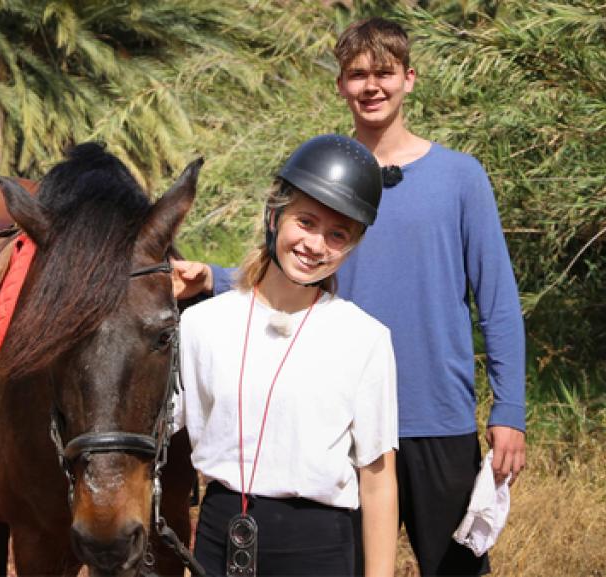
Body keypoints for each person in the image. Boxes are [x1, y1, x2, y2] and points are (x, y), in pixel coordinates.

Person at [173, 17, 526, 576]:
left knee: (457, 569)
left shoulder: (461, 178)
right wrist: (214, 281)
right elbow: (295, 267)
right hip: (337, 424)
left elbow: (498, 302)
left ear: (410, 78)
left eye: (384, 72)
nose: (371, 85)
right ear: (340, 85)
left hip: (436, 417)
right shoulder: (323, 177)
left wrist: (510, 409)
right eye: (357, 74)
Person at [175, 134, 399, 577]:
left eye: (338, 235)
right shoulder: (201, 324)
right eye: (307, 222)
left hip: (317, 549)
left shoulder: (365, 338)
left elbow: (377, 481)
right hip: (220, 539)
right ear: (274, 215)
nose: (316, 245)